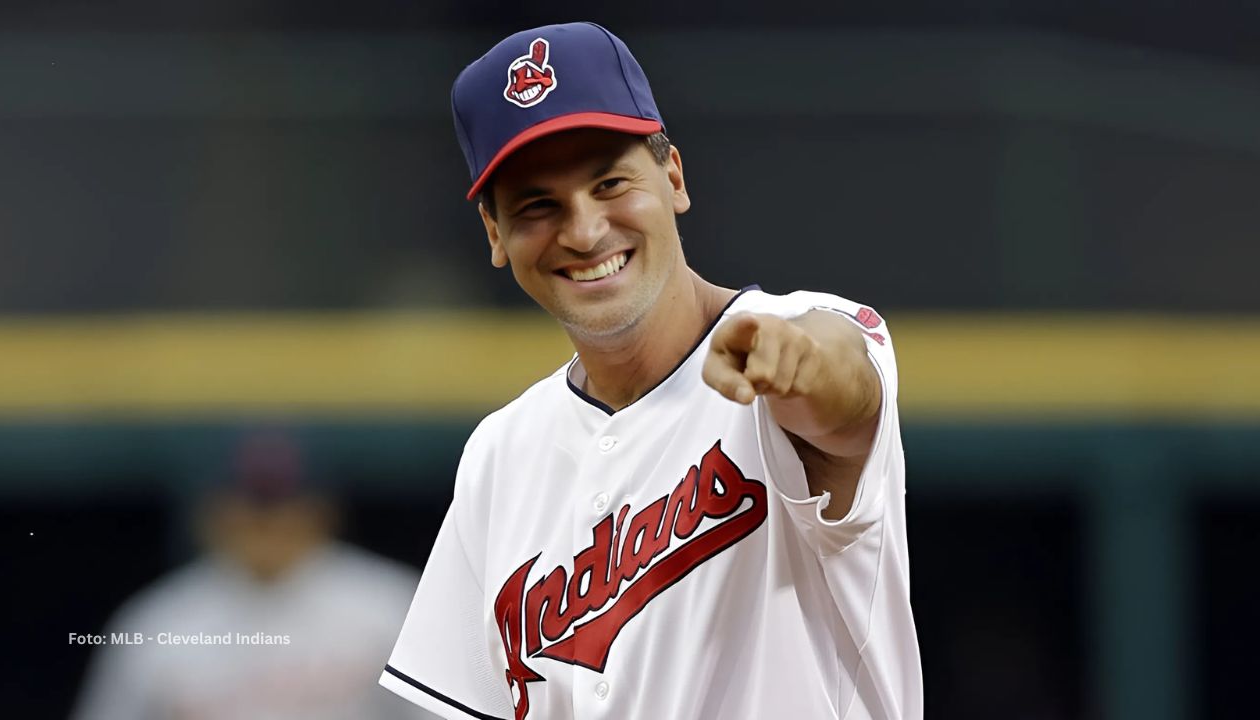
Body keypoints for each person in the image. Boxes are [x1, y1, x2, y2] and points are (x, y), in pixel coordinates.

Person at [380, 22, 921, 720]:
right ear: (494, 234)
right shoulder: (500, 452)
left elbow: (843, 391)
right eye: (538, 205)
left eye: (610, 183)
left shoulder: (794, 336)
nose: (582, 230)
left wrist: (802, 365)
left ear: (673, 177)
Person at [72, 431, 429, 720]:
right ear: (210, 514)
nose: (266, 522)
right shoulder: (156, 624)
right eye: (251, 504)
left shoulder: (391, 605)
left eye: (282, 504)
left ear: (321, 511)